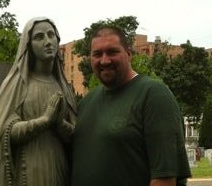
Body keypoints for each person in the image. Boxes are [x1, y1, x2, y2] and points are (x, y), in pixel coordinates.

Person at [71, 26, 191, 186]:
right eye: (97, 54)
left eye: (112, 52)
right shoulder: (86, 102)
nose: (104, 60)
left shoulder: (153, 95)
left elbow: (165, 179)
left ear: (128, 55)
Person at [0, 17, 77, 186]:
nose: (48, 42)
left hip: (61, 167)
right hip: (30, 169)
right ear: (28, 45)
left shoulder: (64, 86)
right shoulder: (17, 84)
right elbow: (4, 132)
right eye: (39, 37)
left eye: (51, 35)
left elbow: (75, 136)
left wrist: (59, 124)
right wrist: (44, 121)